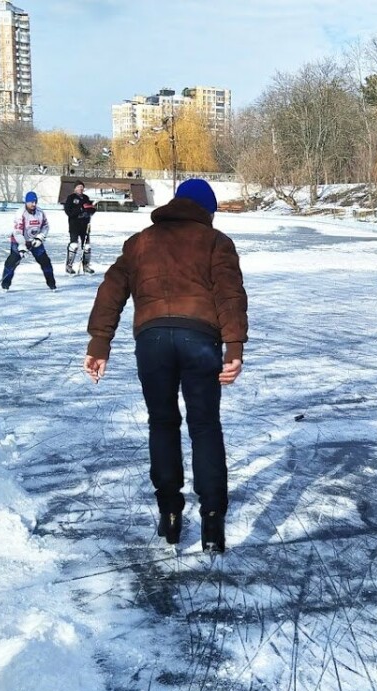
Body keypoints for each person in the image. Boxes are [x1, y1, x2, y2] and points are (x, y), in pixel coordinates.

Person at [83, 178, 248, 554]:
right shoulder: (216, 242)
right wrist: (234, 346)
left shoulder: (141, 241)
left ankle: (170, 513)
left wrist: (99, 342)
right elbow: (230, 294)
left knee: (162, 422)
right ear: (205, 211)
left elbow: (111, 288)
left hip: (152, 341)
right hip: (201, 339)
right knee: (204, 425)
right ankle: (211, 523)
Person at [1, 191, 56, 291]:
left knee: (45, 262)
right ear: (26, 202)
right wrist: (22, 246)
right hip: (19, 240)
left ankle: (52, 284)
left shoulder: (40, 213)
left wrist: (41, 237)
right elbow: (17, 232)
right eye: (31, 202)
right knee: (12, 262)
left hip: (35, 241)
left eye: (35, 202)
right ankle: (5, 284)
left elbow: (45, 226)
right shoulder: (20, 213)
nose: (33, 204)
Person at [62, 181, 97, 274]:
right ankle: (69, 266)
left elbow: (91, 209)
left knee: (87, 246)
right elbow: (68, 212)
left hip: (85, 226)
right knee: (74, 245)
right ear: (75, 188)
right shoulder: (71, 198)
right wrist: (80, 209)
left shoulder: (86, 198)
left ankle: (86, 266)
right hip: (74, 225)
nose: (80, 189)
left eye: (82, 187)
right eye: (78, 187)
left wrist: (91, 209)